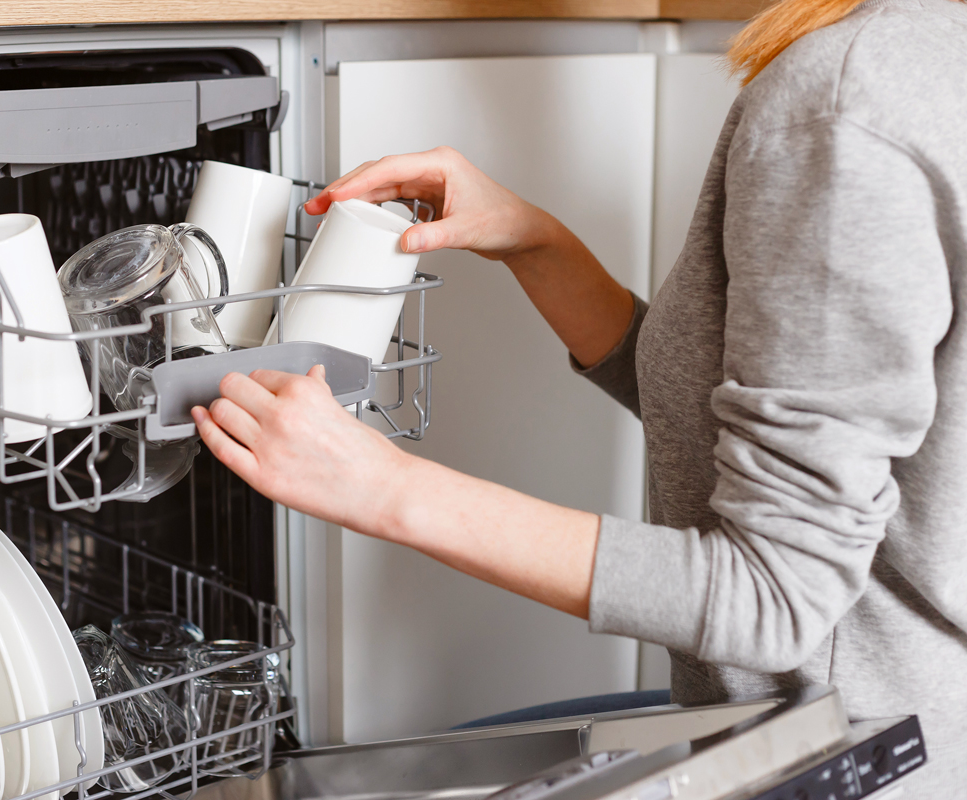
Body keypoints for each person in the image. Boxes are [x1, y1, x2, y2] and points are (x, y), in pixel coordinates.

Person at [190, 0, 967, 792]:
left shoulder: (841, 108)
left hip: (842, 755)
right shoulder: (928, 57)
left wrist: (384, 488)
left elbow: (771, 599)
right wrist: (535, 241)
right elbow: (736, 417)